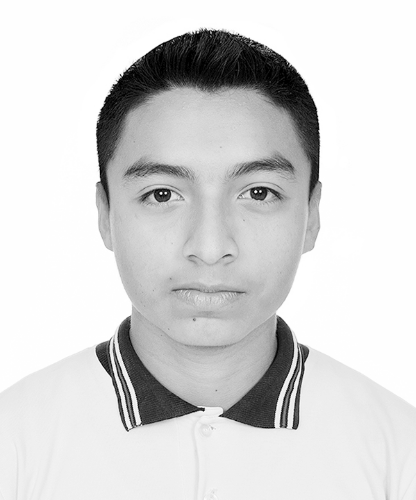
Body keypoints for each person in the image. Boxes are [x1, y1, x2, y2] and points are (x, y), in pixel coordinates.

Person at [0, 27, 415, 500]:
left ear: (311, 216)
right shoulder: (14, 445)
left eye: (259, 192)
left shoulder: (399, 456)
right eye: (162, 194)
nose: (211, 247)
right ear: (105, 214)